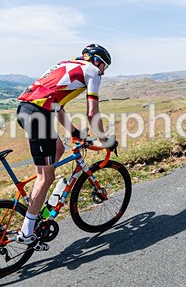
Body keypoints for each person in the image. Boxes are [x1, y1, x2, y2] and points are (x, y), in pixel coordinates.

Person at [15, 44, 116, 250]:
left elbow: (56, 105)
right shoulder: (92, 71)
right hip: (38, 116)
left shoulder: (66, 64)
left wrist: (74, 131)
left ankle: (40, 196)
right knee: (46, 177)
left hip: (28, 110)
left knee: (59, 149)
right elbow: (92, 113)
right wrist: (104, 139)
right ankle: (26, 232)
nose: (103, 72)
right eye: (105, 67)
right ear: (97, 61)